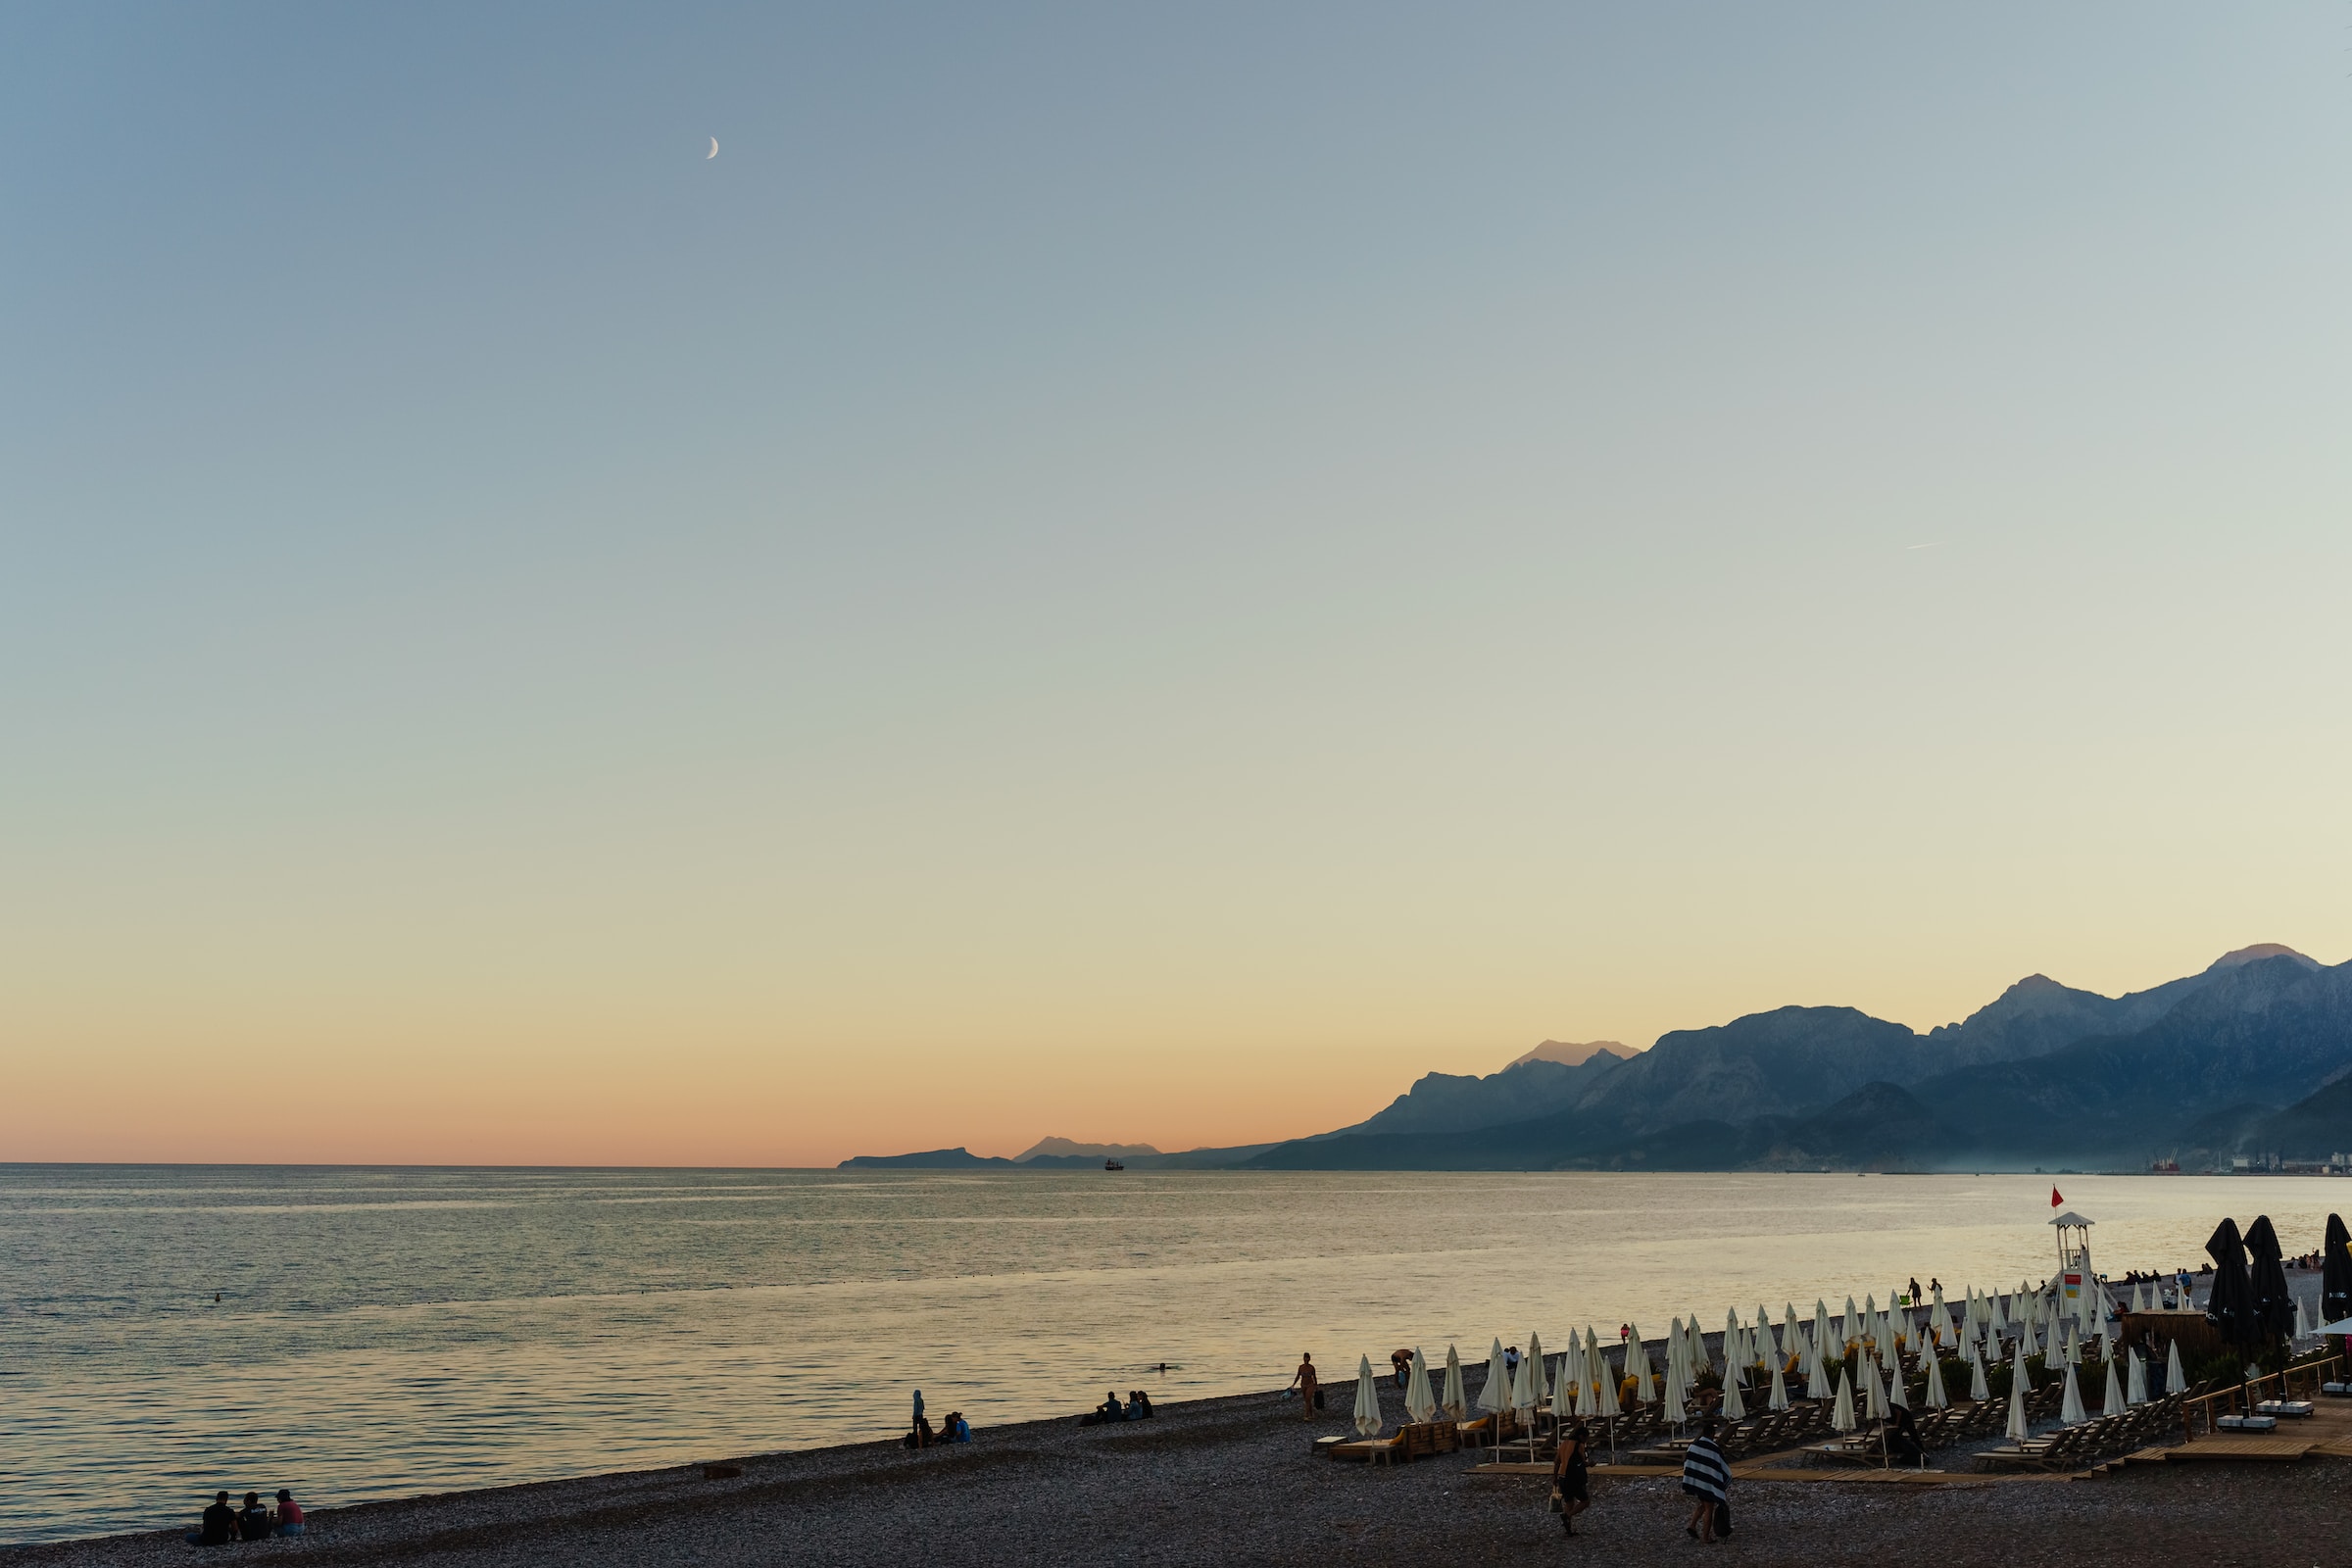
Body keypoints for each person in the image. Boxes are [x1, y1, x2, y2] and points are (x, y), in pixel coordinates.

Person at [1680, 1417, 1730, 1544]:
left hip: (1698, 1482)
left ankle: (1692, 1526)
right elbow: (1722, 1468)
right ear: (1712, 1434)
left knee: (1703, 1505)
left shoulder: (1693, 1447)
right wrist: (1722, 1482)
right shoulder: (1714, 1449)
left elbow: (1688, 1463)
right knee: (1709, 1509)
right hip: (1709, 1484)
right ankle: (1706, 1537)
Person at [1550, 1418, 1592, 1536]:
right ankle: (1567, 1515)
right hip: (1572, 1477)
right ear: (1582, 1436)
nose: (1586, 1441)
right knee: (1585, 1501)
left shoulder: (1563, 1443)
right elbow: (1583, 1463)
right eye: (1586, 1438)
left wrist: (1555, 1477)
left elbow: (1557, 1462)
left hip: (1562, 1477)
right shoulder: (1579, 1445)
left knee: (1569, 1502)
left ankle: (1568, 1529)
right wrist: (1591, 1464)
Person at [1287, 1352, 1319, 1421]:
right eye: (1305, 1358)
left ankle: (1306, 1415)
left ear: (1309, 1359)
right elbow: (1298, 1376)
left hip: (1310, 1384)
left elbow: (1314, 1377)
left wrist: (1316, 1385)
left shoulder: (1311, 1367)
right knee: (1307, 1400)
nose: (1306, 1360)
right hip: (1303, 1385)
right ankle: (1311, 1414)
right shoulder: (1301, 1367)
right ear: (1303, 1359)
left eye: (1307, 1358)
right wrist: (1293, 1384)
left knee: (1308, 1399)